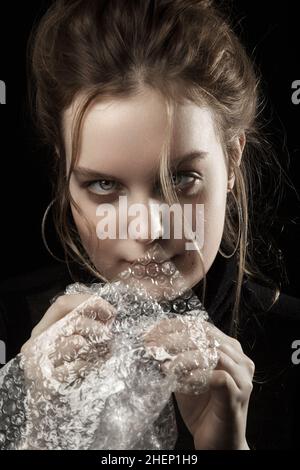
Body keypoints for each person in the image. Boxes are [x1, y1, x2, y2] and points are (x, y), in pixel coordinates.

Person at [0, 0, 299, 450]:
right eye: (103, 185)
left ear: (232, 161)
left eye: (180, 179)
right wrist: (45, 429)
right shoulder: (9, 330)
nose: (147, 229)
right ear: (65, 177)